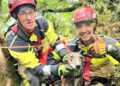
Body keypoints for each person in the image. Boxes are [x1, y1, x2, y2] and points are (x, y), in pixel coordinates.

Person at [5, 0, 74, 86]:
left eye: (31, 12)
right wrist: (57, 69)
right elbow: (35, 67)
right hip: (27, 65)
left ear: (35, 13)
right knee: (33, 79)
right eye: (23, 13)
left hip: (43, 54)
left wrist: (66, 56)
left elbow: (56, 41)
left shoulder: (43, 24)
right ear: (17, 17)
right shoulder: (14, 41)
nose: (29, 18)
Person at [67, 7, 120, 85]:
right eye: (79, 26)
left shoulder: (110, 42)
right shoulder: (70, 45)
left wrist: (109, 49)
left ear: (94, 26)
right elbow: (53, 60)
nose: (83, 30)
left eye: (87, 25)